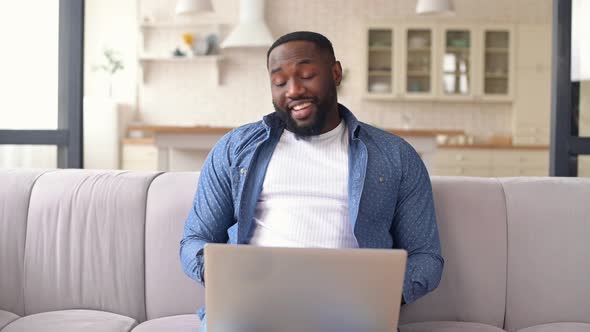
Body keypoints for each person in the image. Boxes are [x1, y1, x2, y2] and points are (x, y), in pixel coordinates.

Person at [180, 31, 444, 331]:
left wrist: (381, 295)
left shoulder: (396, 156)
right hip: (251, 311)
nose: (293, 90)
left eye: (306, 75)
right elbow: (193, 240)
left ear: (336, 73)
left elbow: (427, 257)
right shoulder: (234, 148)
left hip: (354, 315)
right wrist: (222, 278)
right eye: (279, 82)